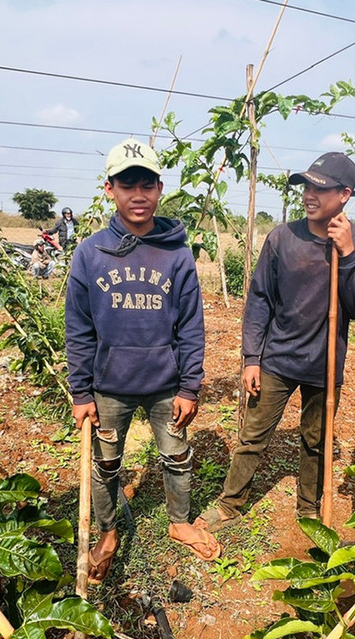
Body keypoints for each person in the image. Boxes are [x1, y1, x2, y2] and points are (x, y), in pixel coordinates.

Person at [195, 152, 355, 532]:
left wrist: (345, 253)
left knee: (316, 441)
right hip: (278, 359)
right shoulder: (283, 237)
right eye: (307, 186)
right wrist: (252, 357)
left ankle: (309, 508)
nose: (310, 194)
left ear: (345, 194)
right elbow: (260, 298)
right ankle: (230, 503)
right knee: (252, 436)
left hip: (326, 363)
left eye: (321, 188)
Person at [65, 138, 220, 583]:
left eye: (147, 184)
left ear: (159, 188)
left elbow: (191, 324)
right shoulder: (90, 253)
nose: (138, 195)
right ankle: (108, 531)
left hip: (164, 385)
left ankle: (179, 521)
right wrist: (81, 390)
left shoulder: (177, 253)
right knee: (106, 462)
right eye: (127, 184)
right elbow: (78, 327)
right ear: (109, 188)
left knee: (176, 454)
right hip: (109, 385)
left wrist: (190, 386)